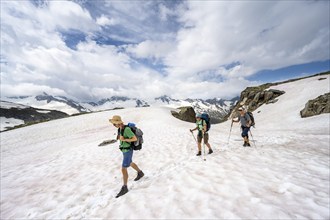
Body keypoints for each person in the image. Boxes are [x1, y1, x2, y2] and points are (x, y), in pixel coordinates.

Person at [109, 115, 144, 198]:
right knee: (130, 162)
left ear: (118, 123)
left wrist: (124, 139)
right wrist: (119, 137)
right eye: (113, 124)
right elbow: (120, 138)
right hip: (124, 150)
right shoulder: (120, 129)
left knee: (123, 168)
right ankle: (140, 173)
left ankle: (125, 187)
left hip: (128, 150)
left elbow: (134, 138)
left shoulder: (127, 129)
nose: (114, 125)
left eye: (114, 124)